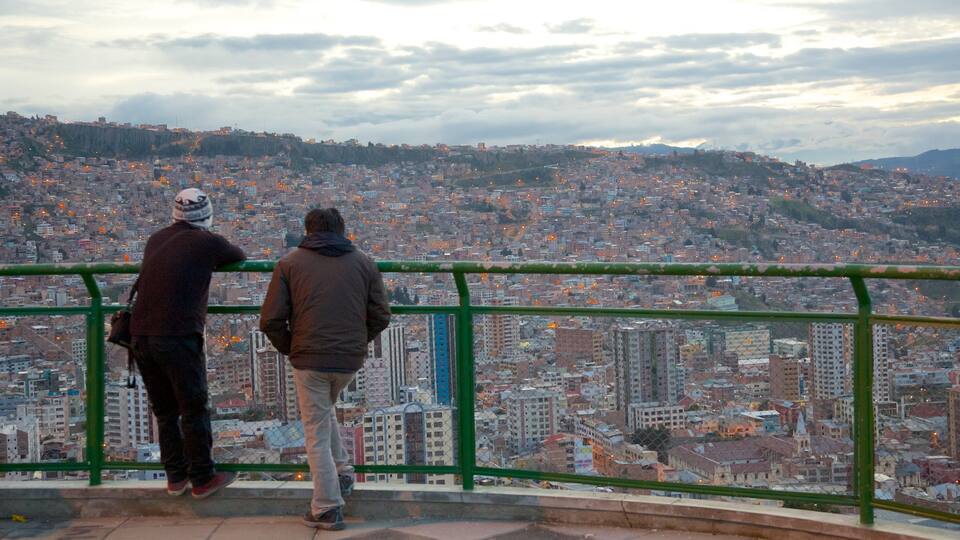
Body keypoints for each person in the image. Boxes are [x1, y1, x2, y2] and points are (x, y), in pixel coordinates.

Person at [260, 207, 390, 530]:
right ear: (343, 230)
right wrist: (357, 341)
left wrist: (292, 347)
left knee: (315, 430)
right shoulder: (364, 263)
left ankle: (327, 507)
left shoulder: (289, 264)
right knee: (323, 412)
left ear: (307, 231)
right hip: (348, 362)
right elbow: (381, 315)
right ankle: (344, 473)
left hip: (309, 360)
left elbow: (270, 321)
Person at [130, 188, 246, 499]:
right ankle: (203, 478)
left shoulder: (156, 238)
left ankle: (175, 477)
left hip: (140, 335)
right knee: (193, 407)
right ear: (206, 215)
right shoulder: (207, 241)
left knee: (165, 411)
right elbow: (238, 255)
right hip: (177, 335)